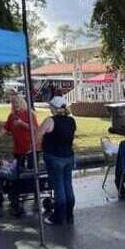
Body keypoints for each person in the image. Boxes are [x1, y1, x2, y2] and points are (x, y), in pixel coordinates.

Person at [38, 96, 78, 226]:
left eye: (50, 107)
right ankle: (69, 214)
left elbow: (38, 135)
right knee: (68, 184)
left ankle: (58, 216)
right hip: (68, 156)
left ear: (54, 108)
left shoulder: (50, 121)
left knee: (58, 186)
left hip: (54, 156)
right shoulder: (71, 121)